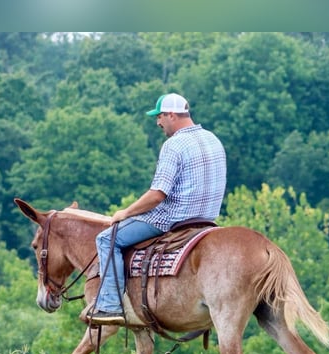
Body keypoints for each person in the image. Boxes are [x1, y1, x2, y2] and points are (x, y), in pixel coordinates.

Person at [89, 93, 227, 325]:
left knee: (107, 238)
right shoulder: (213, 139)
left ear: (172, 115)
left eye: (160, 116)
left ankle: (109, 305)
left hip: (172, 219)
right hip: (207, 219)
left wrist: (126, 212)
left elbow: (157, 195)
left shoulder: (173, 145)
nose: (158, 122)